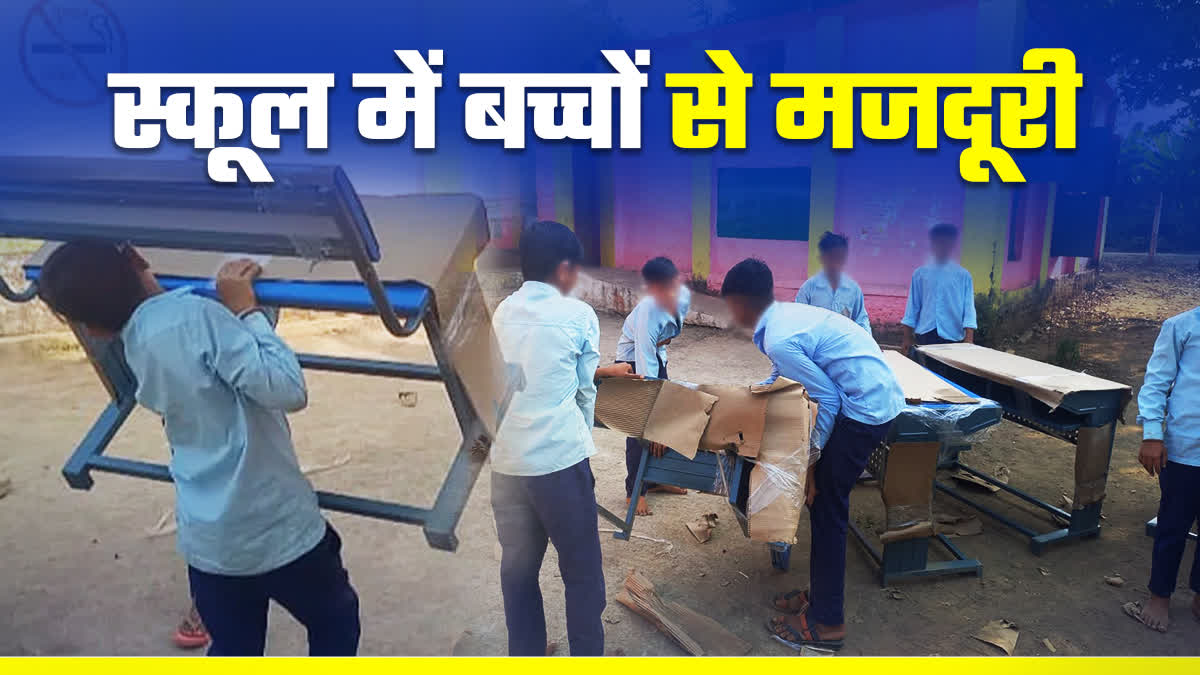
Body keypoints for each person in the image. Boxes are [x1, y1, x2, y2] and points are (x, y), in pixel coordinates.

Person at [36, 242, 360, 656]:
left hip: (208, 543)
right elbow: (288, 388)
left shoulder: (132, 342)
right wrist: (247, 312)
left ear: (94, 329)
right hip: (277, 529)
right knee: (335, 618)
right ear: (138, 258)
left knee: (234, 646)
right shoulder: (198, 317)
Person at [720, 258, 904, 652]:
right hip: (870, 396)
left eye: (730, 305)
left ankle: (827, 624)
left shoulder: (779, 335)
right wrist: (748, 397)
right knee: (824, 506)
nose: (730, 313)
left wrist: (810, 466)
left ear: (741, 301)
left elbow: (826, 399)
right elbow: (784, 376)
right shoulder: (782, 318)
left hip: (863, 410)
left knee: (825, 507)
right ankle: (822, 598)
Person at [489, 221, 607, 656]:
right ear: (563, 269)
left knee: (518, 571)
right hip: (560, 465)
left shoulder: (501, 312)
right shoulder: (578, 315)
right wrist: (578, 438)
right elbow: (585, 390)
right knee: (582, 577)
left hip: (506, 466)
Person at [1128, 305, 1200, 633]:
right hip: (1186, 450)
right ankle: (1159, 596)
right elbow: (1156, 383)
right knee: (1173, 526)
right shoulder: (1181, 327)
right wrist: (1153, 435)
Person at [614, 256, 692, 516]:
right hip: (632, 360)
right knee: (641, 425)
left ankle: (656, 478)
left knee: (667, 418)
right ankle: (633, 493)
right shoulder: (649, 311)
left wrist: (664, 342)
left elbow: (669, 336)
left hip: (657, 356)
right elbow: (645, 369)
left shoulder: (684, 298)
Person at [900, 223, 977, 356]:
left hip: (953, 335)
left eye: (946, 242)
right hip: (926, 334)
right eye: (939, 242)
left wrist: (969, 337)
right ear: (933, 243)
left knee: (949, 373)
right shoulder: (920, 274)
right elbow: (913, 306)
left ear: (952, 244)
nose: (942, 246)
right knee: (926, 372)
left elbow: (968, 308)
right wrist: (907, 337)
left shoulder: (963, 275)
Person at [797, 232, 870, 334]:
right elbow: (798, 321)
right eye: (832, 256)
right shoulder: (808, 288)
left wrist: (869, 345)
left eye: (840, 256)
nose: (836, 261)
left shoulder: (854, 290)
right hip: (817, 346)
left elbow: (861, 320)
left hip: (844, 346)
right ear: (822, 257)